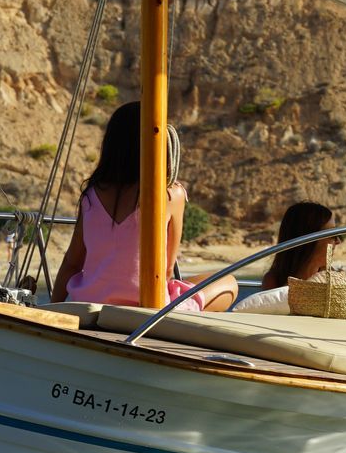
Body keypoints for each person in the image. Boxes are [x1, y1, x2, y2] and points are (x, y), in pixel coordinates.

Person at [51, 101, 235, 311]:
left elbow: (72, 264)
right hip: (146, 309)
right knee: (228, 282)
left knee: (191, 282)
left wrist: (51, 308)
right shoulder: (170, 195)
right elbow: (165, 270)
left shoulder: (91, 194)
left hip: (87, 301)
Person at [260, 201, 338, 291]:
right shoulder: (273, 280)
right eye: (333, 235)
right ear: (310, 240)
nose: (338, 241)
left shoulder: (333, 278)